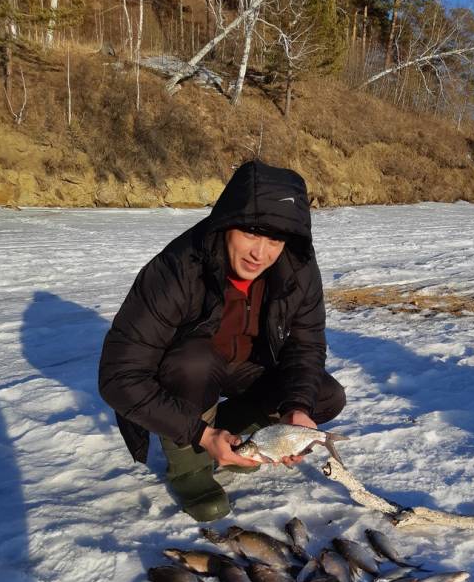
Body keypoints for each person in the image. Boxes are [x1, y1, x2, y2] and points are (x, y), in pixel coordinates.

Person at [98, 160, 346, 522]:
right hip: (189, 368)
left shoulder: (297, 267)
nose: (259, 253)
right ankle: (190, 468)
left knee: (323, 395)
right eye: (250, 232)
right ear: (227, 222)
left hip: (248, 366)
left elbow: (306, 345)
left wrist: (297, 409)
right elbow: (118, 377)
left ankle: (245, 444)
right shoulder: (178, 268)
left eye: (274, 239)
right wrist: (200, 433)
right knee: (194, 363)